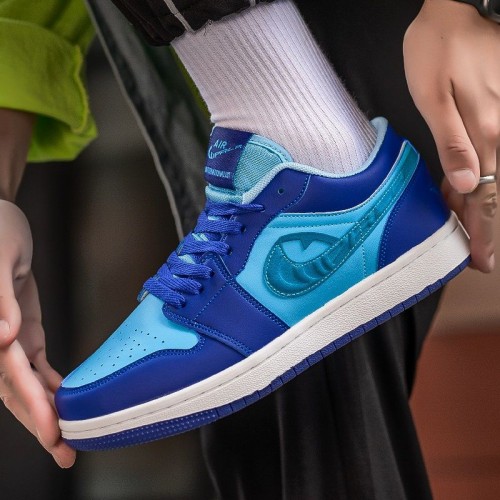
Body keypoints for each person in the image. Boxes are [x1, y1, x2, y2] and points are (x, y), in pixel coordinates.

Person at [0, 0, 498, 498]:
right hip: (228, 67)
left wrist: (461, 9)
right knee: (282, 432)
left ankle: (318, 162)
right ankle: (317, 163)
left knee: (314, 407)